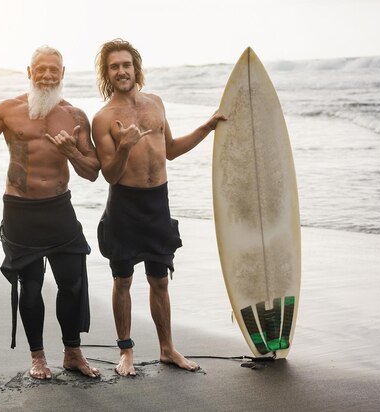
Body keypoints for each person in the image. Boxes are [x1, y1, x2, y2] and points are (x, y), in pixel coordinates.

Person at [0, 46, 100, 380]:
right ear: (29, 72)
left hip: (59, 209)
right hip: (20, 211)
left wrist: (70, 151)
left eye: (54, 70)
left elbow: (93, 170)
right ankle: (38, 357)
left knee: (72, 283)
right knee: (31, 283)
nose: (47, 75)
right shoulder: (8, 111)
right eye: (40, 69)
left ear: (63, 73)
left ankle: (73, 353)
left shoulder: (76, 117)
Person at [92, 39, 226, 377]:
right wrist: (124, 147)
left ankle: (167, 349)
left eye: (126, 64)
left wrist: (207, 127)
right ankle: (126, 352)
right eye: (114, 66)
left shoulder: (156, 104)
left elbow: (171, 150)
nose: (121, 71)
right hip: (124, 205)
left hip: (157, 203)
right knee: (122, 280)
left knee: (160, 281)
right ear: (107, 74)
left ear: (136, 67)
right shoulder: (104, 117)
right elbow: (108, 173)